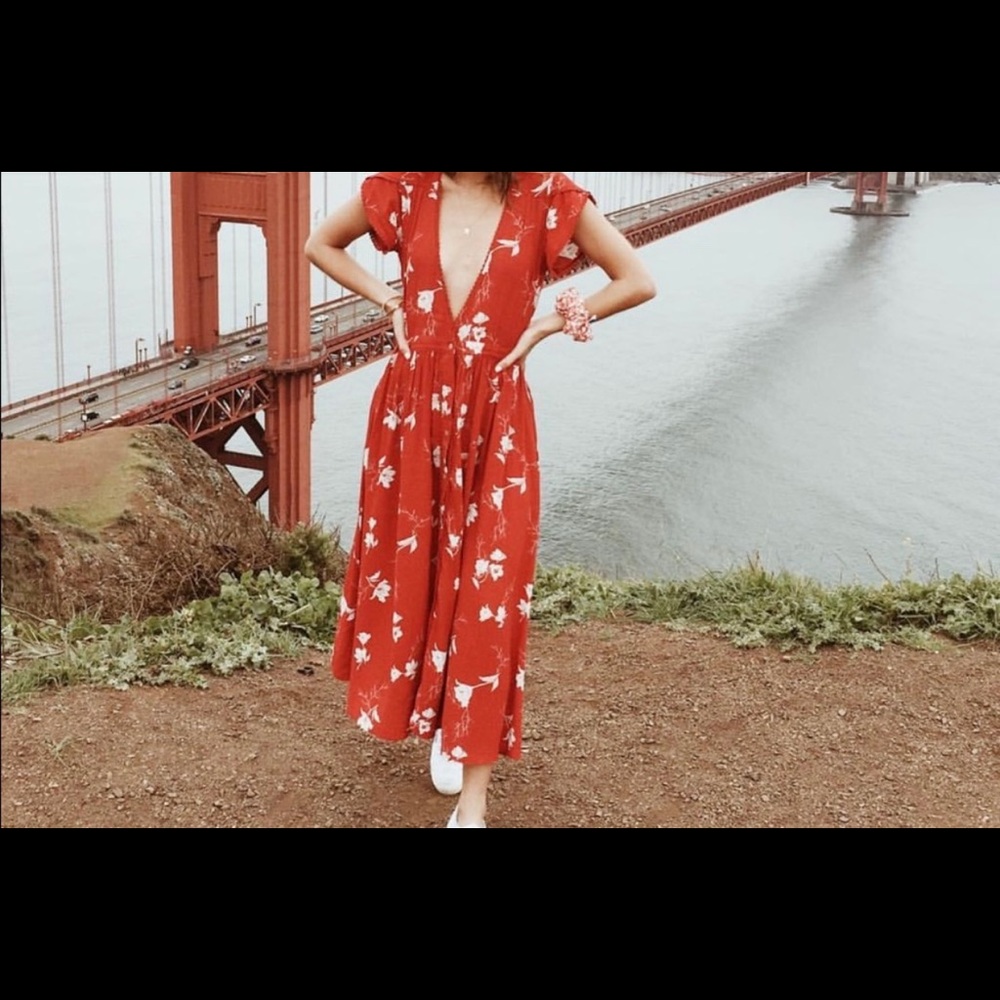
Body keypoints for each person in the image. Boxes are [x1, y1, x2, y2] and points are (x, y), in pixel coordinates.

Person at [305, 172, 655, 828]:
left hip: (498, 428)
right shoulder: (404, 188)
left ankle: (474, 804)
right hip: (412, 422)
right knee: (421, 581)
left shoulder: (549, 196)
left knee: (488, 600)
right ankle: (444, 723)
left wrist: (554, 321)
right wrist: (389, 301)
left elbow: (636, 278)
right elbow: (320, 243)